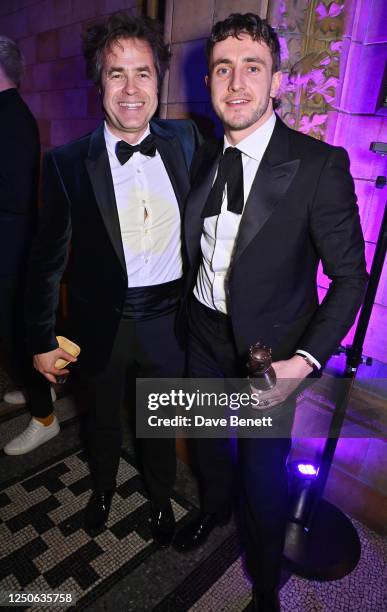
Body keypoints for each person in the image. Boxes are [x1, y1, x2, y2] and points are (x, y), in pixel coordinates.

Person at [173, 13, 367, 611]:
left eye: (252, 68)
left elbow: (350, 278)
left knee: (263, 483)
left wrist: (303, 361)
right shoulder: (203, 156)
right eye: (223, 69)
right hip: (202, 336)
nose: (236, 83)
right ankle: (210, 509)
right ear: (208, 82)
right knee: (206, 445)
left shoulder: (318, 165)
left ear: (277, 80)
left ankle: (262, 583)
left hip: (268, 358)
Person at [24, 12, 200, 546]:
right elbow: (45, 261)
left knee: (158, 423)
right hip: (100, 323)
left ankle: (162, 496)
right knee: (100, 420)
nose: (130, 88)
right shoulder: (67, 162)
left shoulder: (187, 139)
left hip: (170, 322)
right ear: (99, 81)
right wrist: (39, 340)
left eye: (142, 73)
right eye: (116, 73)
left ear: (158, 79)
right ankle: (102, 488)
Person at [0, 36, 57, 456]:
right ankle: (37, 389)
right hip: (9, 238)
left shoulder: (11, 115)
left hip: (12, 242)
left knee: (17, 331)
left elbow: (17, 192)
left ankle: (45, 418)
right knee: (14, 330)